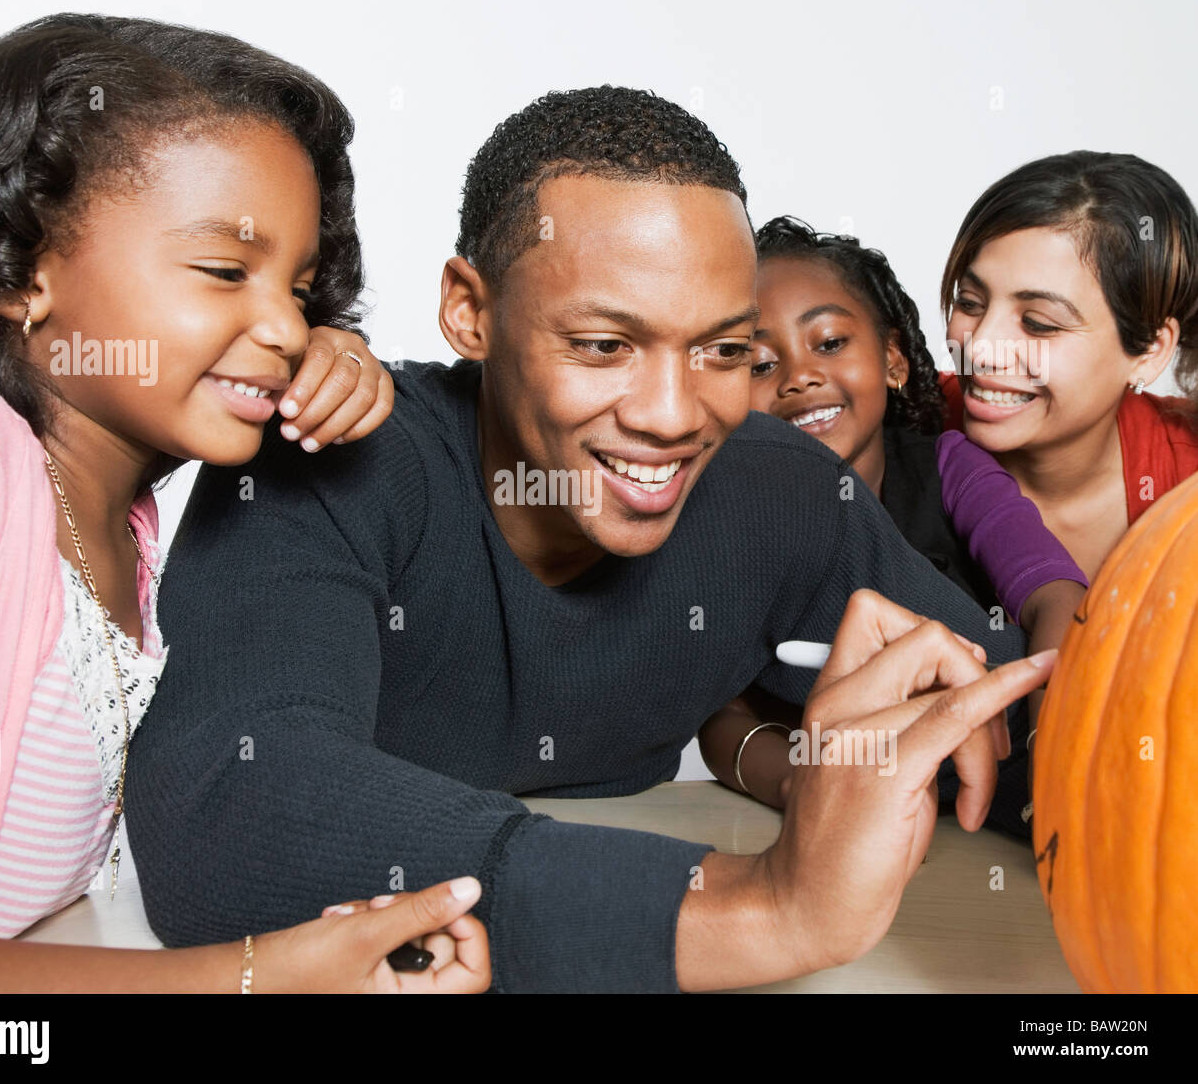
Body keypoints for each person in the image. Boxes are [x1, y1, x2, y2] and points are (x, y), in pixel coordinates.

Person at [126, 85, 1045, 993]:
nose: (673, 416)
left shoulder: (781, 490)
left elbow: (1030, 725)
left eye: (724, 351)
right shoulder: (337, 459)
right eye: (605, 345)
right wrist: (751, 907)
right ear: (469, 311)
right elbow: (225, 806)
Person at [0, 14, 488, 994]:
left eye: (302, 291)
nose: (286, 327)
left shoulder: (128, 527)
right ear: (16, 272)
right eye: (225, 271)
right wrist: (248, 979)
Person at [698, 217, 1087, 821]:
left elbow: (1055, 596)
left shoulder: (951, 467)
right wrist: (800, 788)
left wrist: (1057, 746)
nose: (799, 377)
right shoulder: (739, 532)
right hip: (882, 814)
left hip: (1025, 769)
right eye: (758, 363)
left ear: (893, 360)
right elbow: (726, 721)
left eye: (829, 343)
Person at [939, 151, 1198, 583]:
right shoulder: (895, 424)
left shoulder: (1185, 477)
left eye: (1038, 324)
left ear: (1150, 350)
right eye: (970, 303)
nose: (980, 348)